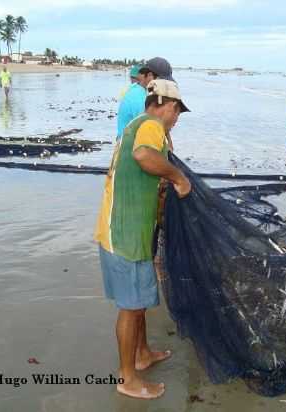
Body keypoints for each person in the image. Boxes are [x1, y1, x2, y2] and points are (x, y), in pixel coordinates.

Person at [94, 79, 191, 399]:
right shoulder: (151, 125)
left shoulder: (138, 122)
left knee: (137, 303)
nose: (177, 118)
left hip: (130, 228)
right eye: (178, 112)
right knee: (131, 307)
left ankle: (143, 353)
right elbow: (143, 156)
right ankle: (127, 378)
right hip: (122, 232)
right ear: (168, 105)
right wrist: (177, 176)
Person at [116, 57, 175, 141]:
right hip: (130, 146)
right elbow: (149, 129)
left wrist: (169, 140)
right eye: (162, 81)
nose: (164, 85)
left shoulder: (137, 88)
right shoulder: (140, 99)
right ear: (149, 75)